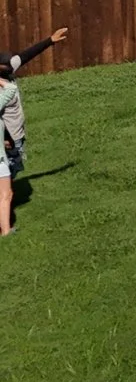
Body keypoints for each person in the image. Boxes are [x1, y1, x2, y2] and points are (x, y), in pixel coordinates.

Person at [0, 27, 68, 237]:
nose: (10, 67)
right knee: (6, 183)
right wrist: (6, 140)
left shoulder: (9, 69)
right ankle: (5, 217)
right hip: (8, 139)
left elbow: (27, 55)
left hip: (17, 136)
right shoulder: (3, 88)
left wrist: (51, 40)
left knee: (11, 178)